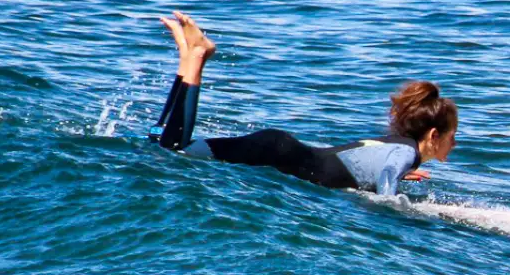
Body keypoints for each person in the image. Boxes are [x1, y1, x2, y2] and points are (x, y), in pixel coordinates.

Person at [151, 11, 456, 195]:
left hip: (278, 147)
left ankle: (187, 56)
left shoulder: (398, 147)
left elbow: (375, 165)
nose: (453, 144)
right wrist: (395, 204)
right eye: (451, 136)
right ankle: (197, 57)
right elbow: (388, 182)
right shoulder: (404, 152)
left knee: (163, 144)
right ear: (433, 135)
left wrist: (394, 172)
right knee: (175, 151)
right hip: (275, 152)